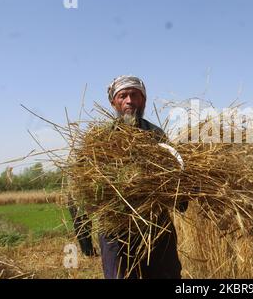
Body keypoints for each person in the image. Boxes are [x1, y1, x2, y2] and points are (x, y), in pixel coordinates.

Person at [68, 75, 187, 279]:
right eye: (123, 96)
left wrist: (181, 197)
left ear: (144, 100)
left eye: (135, 95)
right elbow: (77, 189)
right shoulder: (100, 140)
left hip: (156, 227)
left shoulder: (156, 136)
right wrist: (85, 239)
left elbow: (176, 175)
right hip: (116, 230)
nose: (129, 101)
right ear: (113, 102)